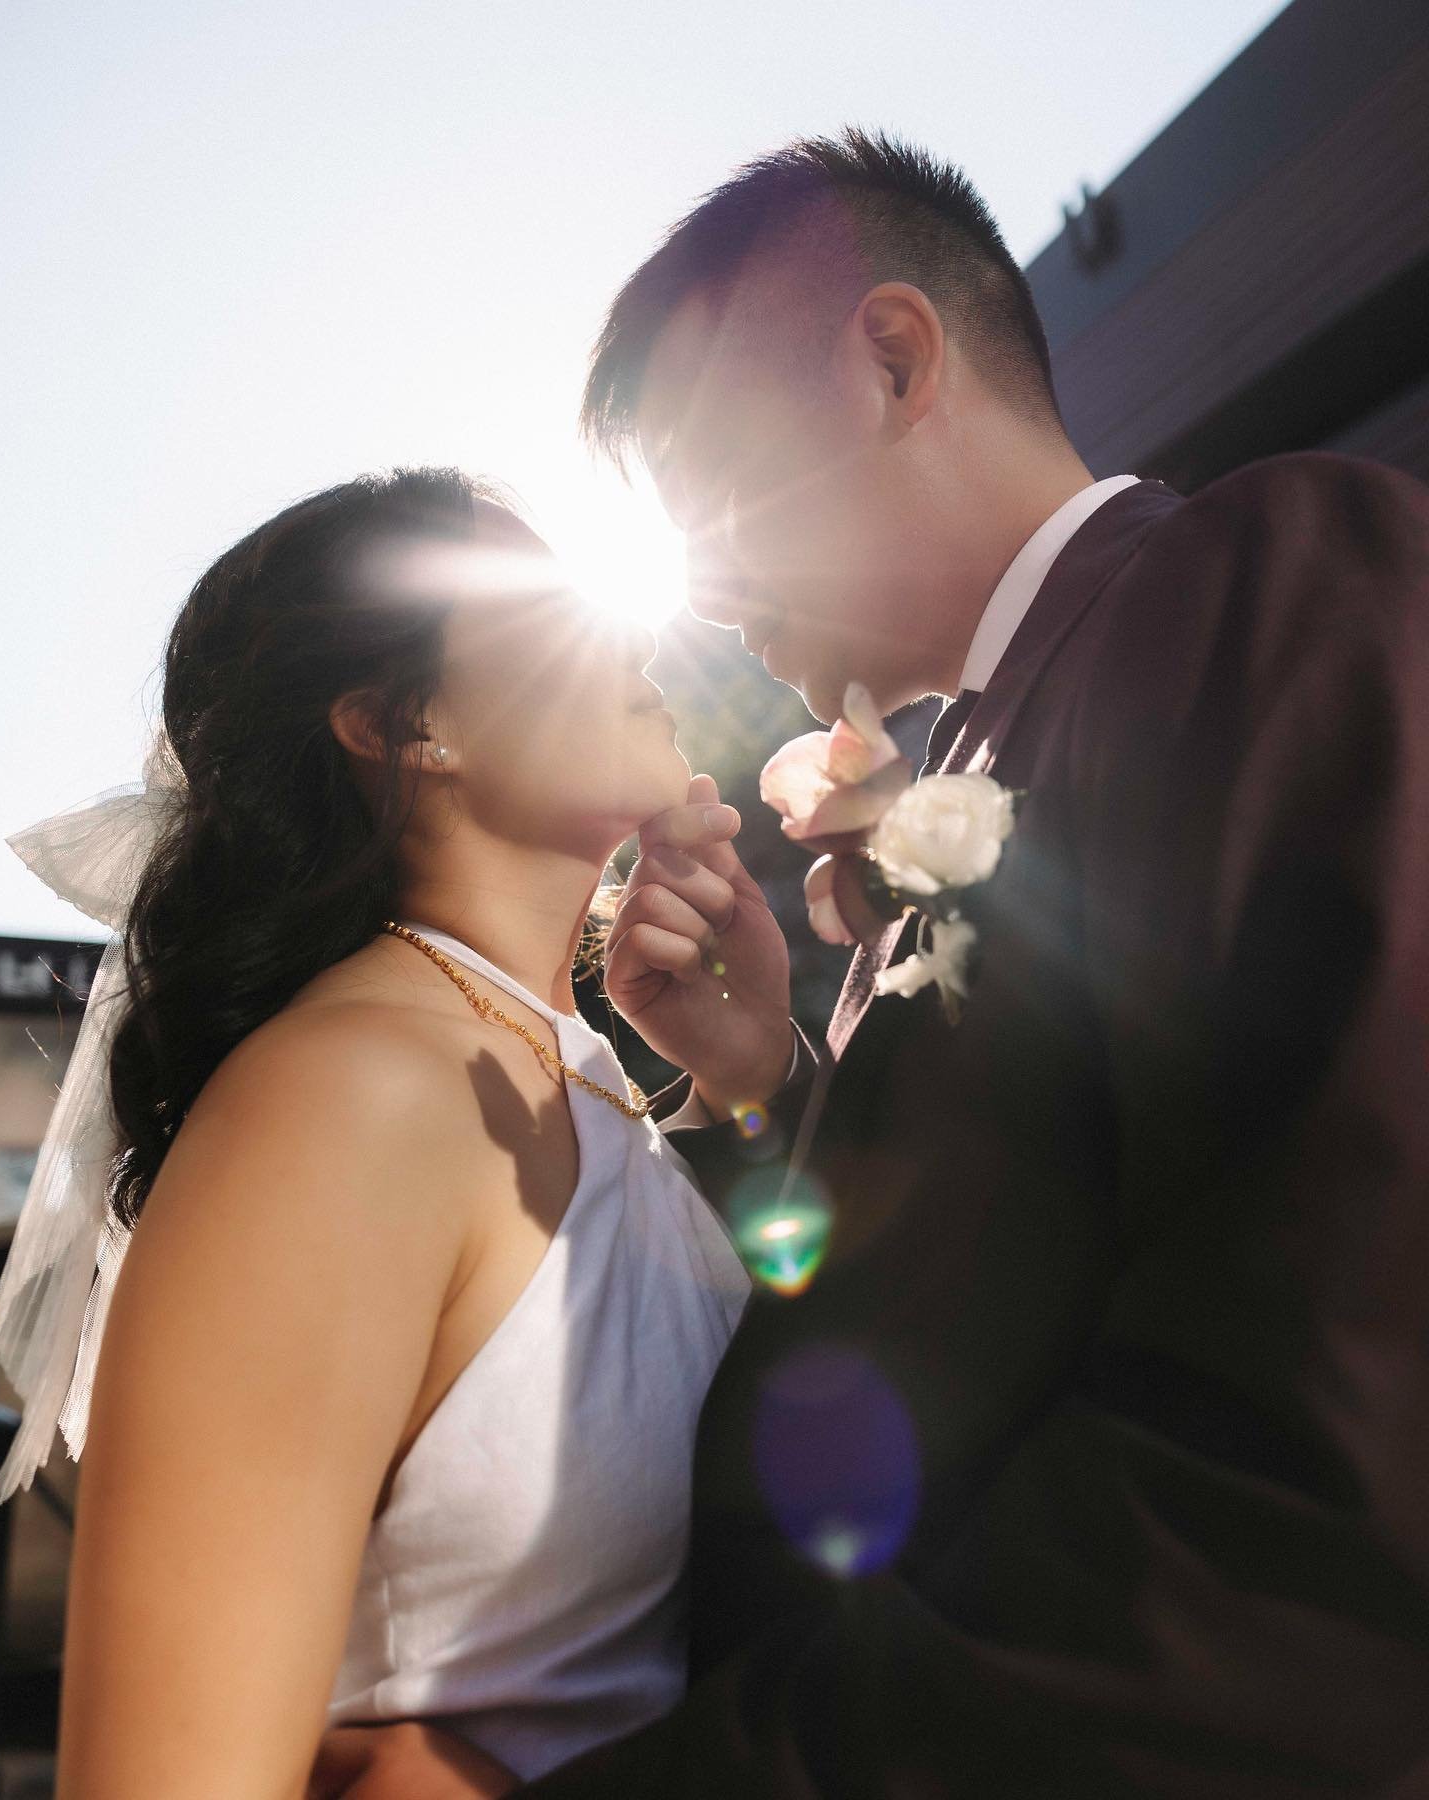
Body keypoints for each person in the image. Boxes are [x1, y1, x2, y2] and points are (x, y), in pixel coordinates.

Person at [333, 132, 1429, 1795]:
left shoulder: (1271, 581)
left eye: (701, 485)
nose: (696, 586)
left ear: (895, 360)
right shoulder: (950, 797)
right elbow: (963, 1314)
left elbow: (1325, 1455)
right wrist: (770, 1086)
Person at [0, 466, 796, 1797]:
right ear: (405, 723)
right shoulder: (349, 1098)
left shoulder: (573, 1066)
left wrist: (745, 1077)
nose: (635, 633)